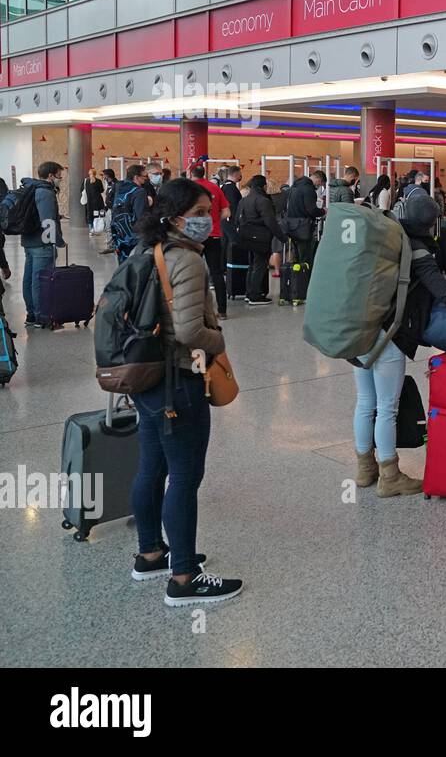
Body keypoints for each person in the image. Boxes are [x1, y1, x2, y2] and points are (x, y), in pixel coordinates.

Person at [128, 177, 243, 607]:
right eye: (198, 214)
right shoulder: (188, 261)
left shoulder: (147, 250)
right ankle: (184, 579)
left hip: (147, 378)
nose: (206, 220)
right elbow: (191, 331)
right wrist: (219, 339)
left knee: (151, 467)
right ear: (175, 218)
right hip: (179, 381)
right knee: (185, 476)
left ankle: (150, 552)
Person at [352, 191, 446, 496]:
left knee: (365, 401)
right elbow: (444, 294)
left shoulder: (387, 236)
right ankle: (389, 475)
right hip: (390, 335)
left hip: (359, 328)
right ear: (431, 223)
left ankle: (364, 469)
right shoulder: (418, 250)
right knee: (387, 407)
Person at [18, 162, 66, 329]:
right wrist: (57, 242)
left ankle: (31, 314)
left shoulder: (32, 188)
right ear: (51, 176)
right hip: (42, 243)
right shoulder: (45, 192)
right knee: (41, 280)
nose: (61, 179)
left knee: (30, 278)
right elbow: (47, 222)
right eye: (60, 176)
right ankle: (41, 317)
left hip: (29, 240)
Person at [188, 164, 231, 319]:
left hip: (193, 237)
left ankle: (195, 311)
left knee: (192, 272)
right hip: (213, 235)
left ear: (190, 172)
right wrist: (213, 222)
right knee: (216, 273)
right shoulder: (215, 188)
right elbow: (227, 212)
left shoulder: (188, 188)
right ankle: (222, 311)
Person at [233, 175, 283, 305]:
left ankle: (249, 293)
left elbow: (238, 219)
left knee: (252, 266)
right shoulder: (263, 200)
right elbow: (270, 222)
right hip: (260, 238)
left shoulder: (244, 200)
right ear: (263, 186)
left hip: (246, 237)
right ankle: (255, 295)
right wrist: (282, 237)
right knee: (260, 266)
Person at [111, 165, 153, 263]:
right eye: (144, 176)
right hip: (134, 236)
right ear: (136, 177)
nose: (146, 179)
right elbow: (141, 216)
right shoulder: (139, 192)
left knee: (123, 264)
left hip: (119, 233)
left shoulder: (119, 187)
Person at [284, 172, 326, 267]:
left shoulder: (294, 187)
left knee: (296, 256)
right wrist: (323, 211)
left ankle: (297, 278)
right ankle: (304, 278)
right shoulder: (309, 190)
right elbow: (311, 210)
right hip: (304, 227)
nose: (319, 186)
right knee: (305, 257)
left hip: (292, 226)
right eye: (320, 184)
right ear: (318, 180)